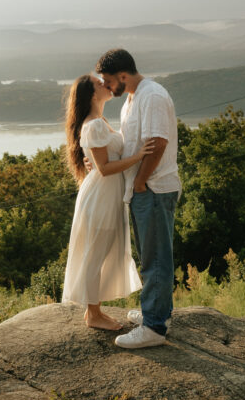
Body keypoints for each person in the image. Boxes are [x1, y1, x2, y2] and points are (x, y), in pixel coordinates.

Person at [95, 48, 181, 348]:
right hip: (143, 190)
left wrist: (142, 181)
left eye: (108, 81)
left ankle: (155, 328)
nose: (107, 87)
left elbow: (157, 143)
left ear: (122, 75)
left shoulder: (152, 95)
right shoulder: (131, 99)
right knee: (150, 255)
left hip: (154, 188)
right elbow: (130, 143)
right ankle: (155, 314)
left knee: (156, 259)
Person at [61, 73, 155, 330]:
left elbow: (99, 160)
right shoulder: (94, 125)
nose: (105, 84)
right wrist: (139, 157)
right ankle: (93, 314)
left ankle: (94, 310)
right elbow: (104, 168)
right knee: (96, 252)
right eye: (99, 83)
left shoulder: (100, 121)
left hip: (107, 194)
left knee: (101, 251)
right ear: (92, 94)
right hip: (101, 195)